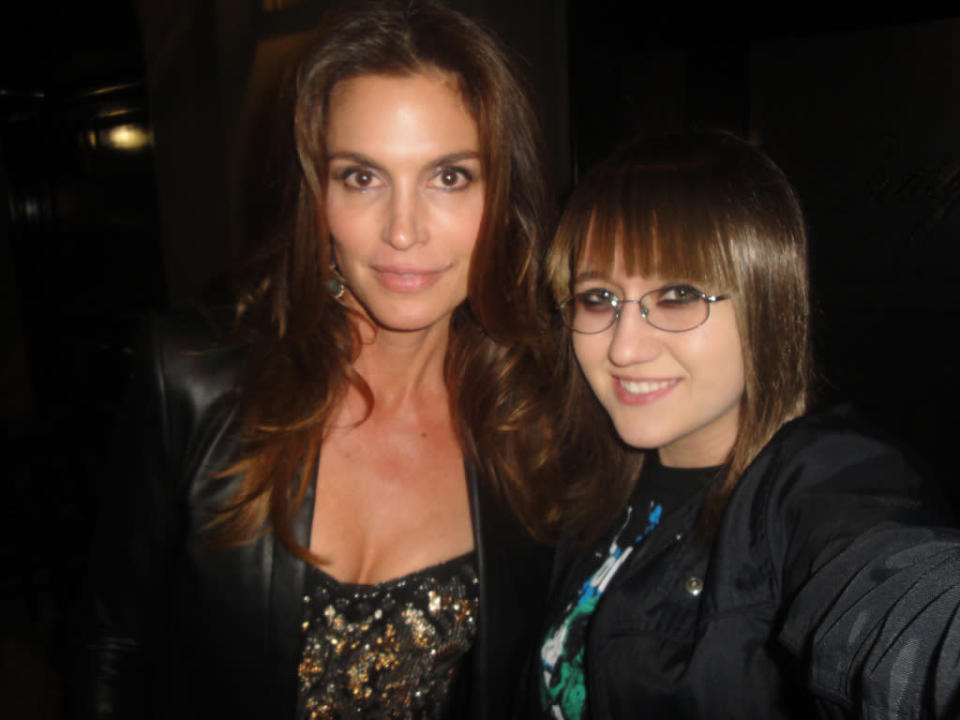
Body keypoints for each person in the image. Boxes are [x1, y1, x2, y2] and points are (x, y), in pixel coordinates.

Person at [81, 2, 562, 718]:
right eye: (362, 178)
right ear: (317, 196)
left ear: (503, 198)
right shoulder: (192, 379)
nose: (403, 231)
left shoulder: (540, 423)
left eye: (450, 177)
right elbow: (114, 645)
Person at [535, 131, 960, 719]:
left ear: (767, 302)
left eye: (678, 294)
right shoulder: (591, 480)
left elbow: (899, 598)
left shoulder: (823, 477)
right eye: (599, 298)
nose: (624, 347)